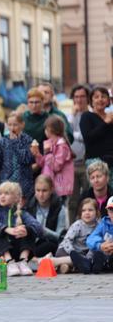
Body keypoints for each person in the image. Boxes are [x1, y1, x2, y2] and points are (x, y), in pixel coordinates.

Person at [0, 182, 43, 277]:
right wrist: (5, 229)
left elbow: (39, 227)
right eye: (0, 194)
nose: (2, 196)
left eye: (6, 193)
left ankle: (23, 262)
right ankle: (9, 262)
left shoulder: (22, 213)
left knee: (28, 229)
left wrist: (26, 230)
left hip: (18, 251)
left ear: (15, 198)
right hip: (1, 254)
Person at [31, 115, 74, 202]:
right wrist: (37, 154)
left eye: (46, 129)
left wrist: (49, 153)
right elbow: (42, 163)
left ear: (50, 129)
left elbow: (56, 166)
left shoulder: (62, 146)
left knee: (58, 209)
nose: (45, 131)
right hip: (49, 184)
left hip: (59, 187)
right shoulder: (49, 143)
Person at [0, 111, 35, 200]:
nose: (12, 128)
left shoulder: (28, 140)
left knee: (22, 210)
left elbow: (27, 160)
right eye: (10, 125)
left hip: (24, 183)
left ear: (22, 125)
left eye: (15, 125)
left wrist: (15, 143)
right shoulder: (3, 141)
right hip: (7, 181)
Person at [25, 175, 67, 257]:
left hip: (50, 243)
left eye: (44, 191)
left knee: (48, 245)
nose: (41, 194)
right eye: (38, 190)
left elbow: (60, 237)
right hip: (31, 243)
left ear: (51, 190)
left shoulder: (59, 208)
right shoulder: (29, 206)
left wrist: (44, 231)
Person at [54, 198, 98, 273]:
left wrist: (88, 257)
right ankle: (59, 262)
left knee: (85, 260)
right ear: (80, 213)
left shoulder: (98, 227)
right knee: (77, 259)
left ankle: (66, 266)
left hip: (83, 253)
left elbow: (95, 245)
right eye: (84, 210)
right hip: (66, 250)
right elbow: (67, 241)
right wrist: (72, 252)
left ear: (97, 212)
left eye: (90, 210)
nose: (87, 213)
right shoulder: (77, 225)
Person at [68, 84, 90, 222]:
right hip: (71, 164)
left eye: (82, 96)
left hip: (87, 162)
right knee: (72, 201)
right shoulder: (70, 116)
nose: (79, 99)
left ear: (87, 98)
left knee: (88, 198)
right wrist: (72, 116)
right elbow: (65, 134)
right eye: (76, 97)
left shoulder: (91, 114)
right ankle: (72, 228)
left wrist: (75, 135)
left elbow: (86, 136)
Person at [74, 196, 113, 274]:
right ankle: (91, 264)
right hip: (105, 252)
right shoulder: (104, 223)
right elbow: (91, 238)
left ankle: (93, 264)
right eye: (111, 210)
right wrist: (100, 245)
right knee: (96, 251)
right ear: (108, 212)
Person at [80, 86, 113, 172]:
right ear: (91, 101)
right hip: (96, 163)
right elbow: (88, 138)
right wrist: (105, 123)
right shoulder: (86, 116)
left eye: (103, 96)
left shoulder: (111, 116)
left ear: (108, 100)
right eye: (96, 97)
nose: (100, 99)